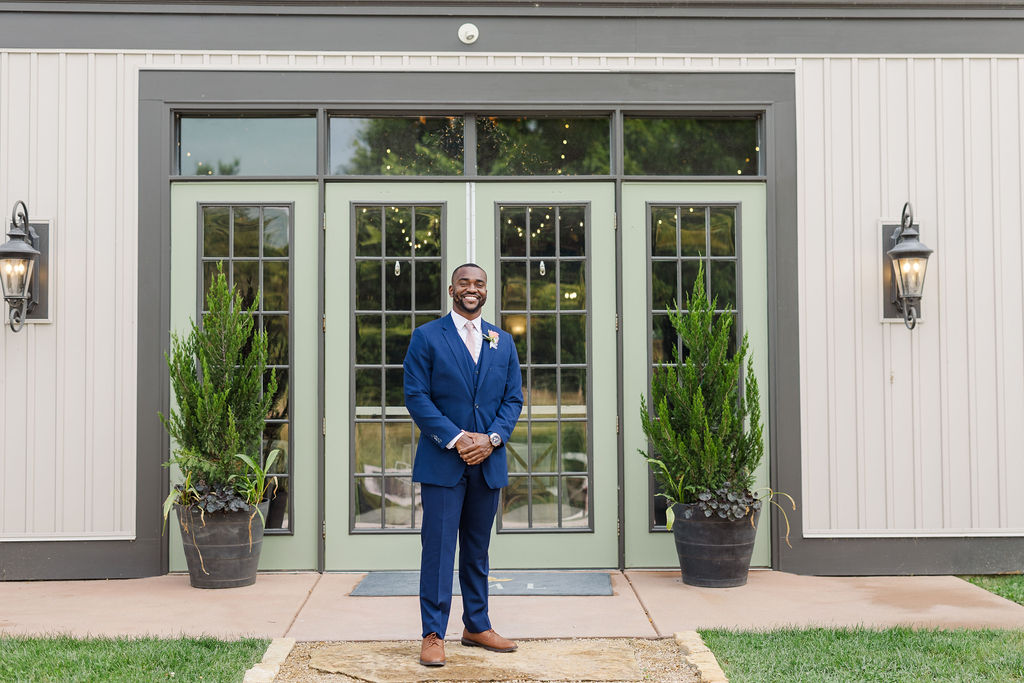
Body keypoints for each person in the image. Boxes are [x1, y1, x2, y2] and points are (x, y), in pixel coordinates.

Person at [403, 263, 524, 667]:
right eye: (464, 283)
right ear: (452, 288)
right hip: (443, 461)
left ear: (486, 291)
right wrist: (458, 439)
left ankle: (477, 625)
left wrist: (490, 439)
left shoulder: (502, 340)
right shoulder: (426, 337)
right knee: (438, 549)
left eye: (479, 284)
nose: (472, 289)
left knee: (477, 550)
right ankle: (433, 634)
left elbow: (513, 399)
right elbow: (417, 397)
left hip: (487, 461)